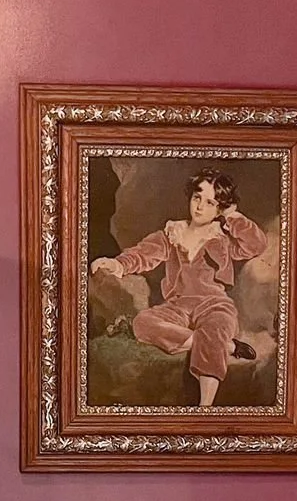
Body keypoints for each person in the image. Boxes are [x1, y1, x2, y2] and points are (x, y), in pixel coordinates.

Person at [91, 169, 268, 407]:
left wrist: (233, 217)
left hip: (214, 304)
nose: (200, 207)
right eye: (197, 197)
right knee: (142, 323)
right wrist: (117, 263)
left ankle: (205, 408)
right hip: (177, 306)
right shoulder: (172, 233)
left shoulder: (223, 239)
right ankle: (223, 346)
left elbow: (256, 245)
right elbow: (144, 254)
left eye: (210, 202)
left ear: (219, 209)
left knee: (215, 327)